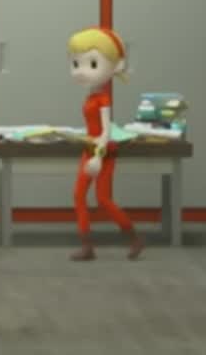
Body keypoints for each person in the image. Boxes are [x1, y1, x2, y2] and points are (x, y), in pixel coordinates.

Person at [66, 26, 144, 262]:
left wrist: (98, 153)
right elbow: (94, 128)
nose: (80, 71)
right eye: (76, 63)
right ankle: (86, 246)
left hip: (102, 152)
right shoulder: (91, 96)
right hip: (90, 149)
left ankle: (134, 238)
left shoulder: (102, 99)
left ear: (116, 66)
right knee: (79, 195)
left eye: (91, 64)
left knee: (103, 199)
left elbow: (106, 130)